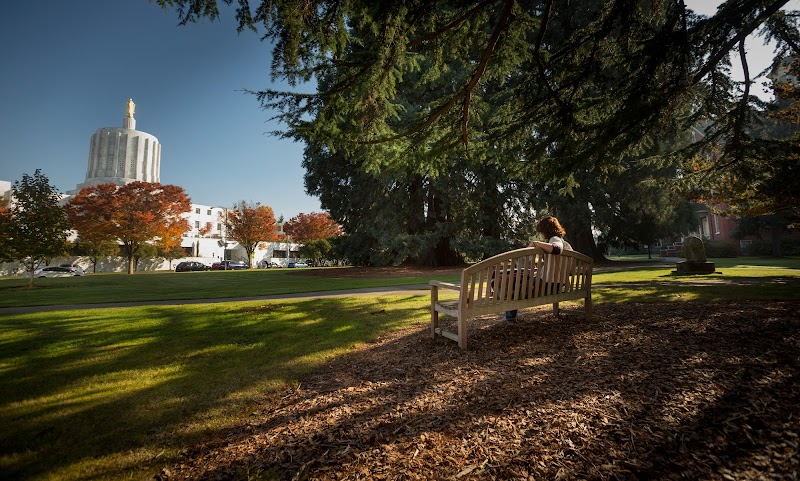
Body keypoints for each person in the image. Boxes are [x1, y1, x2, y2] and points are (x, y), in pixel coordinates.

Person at [505, 215, 573, 321]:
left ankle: (510, 318)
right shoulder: (566, 244)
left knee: (515, 286)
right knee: (520, 280)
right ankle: (510, 315)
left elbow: (557, 249)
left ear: (545, 230)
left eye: (540, 231)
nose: (540, 234)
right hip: (557, 285)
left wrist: (536, 243)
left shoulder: (554, 239)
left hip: (548, 285)